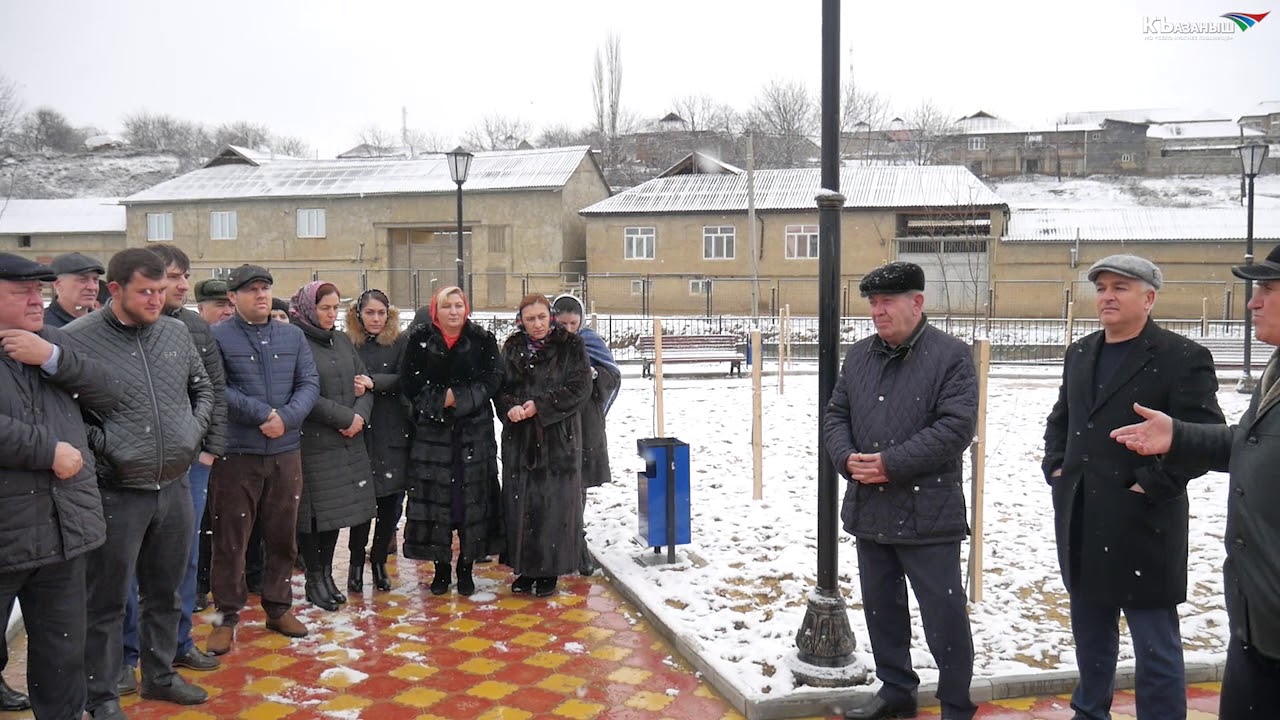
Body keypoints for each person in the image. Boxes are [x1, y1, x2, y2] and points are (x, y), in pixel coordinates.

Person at [1043, 254, 1224, 720]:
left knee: (1155, 645)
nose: (1107, 296)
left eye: (1120, 287)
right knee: (1090, 637)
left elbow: (1203, 438)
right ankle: (1090, 713)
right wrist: (1057, 468)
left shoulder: (1182, 357)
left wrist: (1149, 485)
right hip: (1082, 516)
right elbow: (1062, 419)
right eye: (1102, 287)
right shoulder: (1080, 352)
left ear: (1149, 298)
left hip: (1145, 524)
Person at [1110, 243, 1280, 720]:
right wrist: (1178, 435)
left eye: (1267, 289)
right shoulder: (1276, 372)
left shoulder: (1183, 356)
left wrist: (1155, 478)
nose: (1253, 301)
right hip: (1256, 616)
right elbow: (1251, 445)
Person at [821, 262, 978, 720]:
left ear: (917, 302)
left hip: (928, 512)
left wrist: (891, 464)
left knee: (943, 615)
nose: (877, 311)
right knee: (882, 609)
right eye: (872, 302)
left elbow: (955, 428)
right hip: (871, 507)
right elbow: (835, 415)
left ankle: (955, 703)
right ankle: (896, 690)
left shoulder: (950, 356)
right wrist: (846, 458)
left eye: (887, 301)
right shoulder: (859, 356)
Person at [63, 248, 214, 714]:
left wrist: (191, 433)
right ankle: (103, 695)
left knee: (165, 592)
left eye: (161, 291)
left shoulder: (174, 332)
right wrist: (106, 447)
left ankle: (160, 676)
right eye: (145, 292)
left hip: (172, 485)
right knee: (107, 601)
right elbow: (65, 413)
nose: (155, 301)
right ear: (115, 289)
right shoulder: (77, 340)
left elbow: (203, 388)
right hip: (116, 491)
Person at [0, 253, 121, 719]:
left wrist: (52, 358)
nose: (38, 300)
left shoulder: (50, 342)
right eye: (22, 293)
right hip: (6, 532)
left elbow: (110, 393)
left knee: (61, 657)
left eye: (40, 291)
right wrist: (46, 451)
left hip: (63, 531)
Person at [204, 265, 318, 656]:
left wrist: (285, 419)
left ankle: (278, 606)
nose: (261, 295)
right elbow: (218, 387)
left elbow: (309, 383)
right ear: (233, 298)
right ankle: (224, 618)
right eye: (251, 290)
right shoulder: (217, 336)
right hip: (238, 454)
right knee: (230, 542)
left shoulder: (292, 335)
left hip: (285, 453)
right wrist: (262, 416)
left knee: (283, 537)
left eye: (265, 288)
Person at [401, 286, 504, 596]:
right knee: (437, 503)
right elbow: (410, 382)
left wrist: (459, 398)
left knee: (470, 503)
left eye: (459, 305)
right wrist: (437, 400)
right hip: (433, 436)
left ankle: (467, 565)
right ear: (436, 311)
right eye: (447, 306)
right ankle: (441, 567)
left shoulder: (482, 340)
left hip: (474, 434)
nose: (454, 312)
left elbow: (492, 379)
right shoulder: (420, 340)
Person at [496, 293, 593, 598]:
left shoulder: (570, 345)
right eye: (530, 319)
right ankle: (525, 568)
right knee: (520, 504)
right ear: (521, 321)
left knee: (554, 505)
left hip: (558, 438)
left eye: (541, 317)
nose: (537, 325)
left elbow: (580, 388)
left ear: (550, 317)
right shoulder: (512, 347)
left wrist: (541, 405)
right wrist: (510, 407)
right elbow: (501, 388)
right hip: (520, 438)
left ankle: (550, 568)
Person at [290, 281, 377, 610]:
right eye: (325, 308)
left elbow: (364, 382)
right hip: (315, 442)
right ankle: (314, 578)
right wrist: (345, 418)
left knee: (336, 514)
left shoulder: (341, 340)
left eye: (335, 308)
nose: (331, 314)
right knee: (314, 517)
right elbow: (303, 393)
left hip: (348, 441)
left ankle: (326, 574)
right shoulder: (297, 341)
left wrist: (360, 417)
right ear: (310, 308)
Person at [344, 289, 411, 593]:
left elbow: (407, 378)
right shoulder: (347, 343)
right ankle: (356, 564)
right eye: (369, 313)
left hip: (392, 431)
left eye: (381, 313)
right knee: (360, 505)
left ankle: (380, 560)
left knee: (389, 505)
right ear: (359, 314)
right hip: (360, 432)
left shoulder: (399, 343)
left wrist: (375, 382)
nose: (375, 319)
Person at [550, 294, 621, 576]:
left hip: (581, 424)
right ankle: (553, 544)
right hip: (551, 423)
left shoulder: (589, 341)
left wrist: (593, 376)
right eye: (562, 322)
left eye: (573, 323)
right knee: (551, 485)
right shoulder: (543, 341)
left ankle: (577, 544)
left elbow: (611, 375)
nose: (567, 329)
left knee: (576, 484)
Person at [43, 252, 105, 328]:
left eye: (95, 280)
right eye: (83, 280)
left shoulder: (104, 323)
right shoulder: (42, 326)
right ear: (58, 284)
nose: (92, 287)